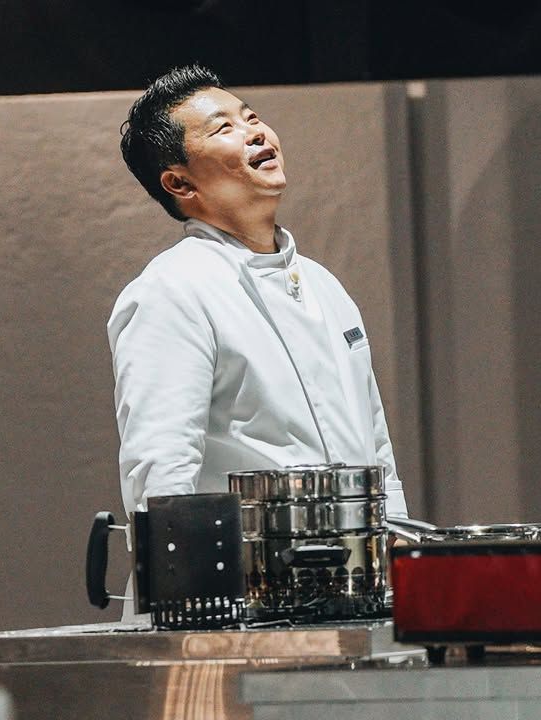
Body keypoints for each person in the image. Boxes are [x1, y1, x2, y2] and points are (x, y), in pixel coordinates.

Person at [109, 64, 408, 524]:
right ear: (180, 183)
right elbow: (162, 473)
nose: (255, 132)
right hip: (246, 567)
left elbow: (376, 448)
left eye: (251, 117)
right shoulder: (171, 291)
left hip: (356, 563)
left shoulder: (324, 285)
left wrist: (398, 545)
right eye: (224, 128)